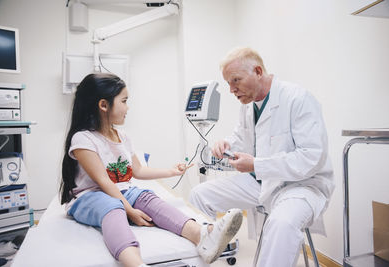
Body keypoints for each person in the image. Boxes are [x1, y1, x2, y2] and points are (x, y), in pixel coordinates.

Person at [59, 73, 243, 267]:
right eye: (124, 101)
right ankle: (135, 263)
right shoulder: (83, 139)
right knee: (113, 207)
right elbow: (104, 182)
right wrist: (129, 211)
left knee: (147, 197)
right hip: (90, 196)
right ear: (103, 105)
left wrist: (171, 171)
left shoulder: (122, 136)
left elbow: (137, 171)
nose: (128, 107)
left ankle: (203, 235)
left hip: (120, 192)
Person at [189, 47, 334, 267]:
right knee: (199, 195)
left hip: (301, 186)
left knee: (281, 223)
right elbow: (242, 139)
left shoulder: (297, 98)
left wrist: (256, 164)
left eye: (235, 80)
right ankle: (206, 254)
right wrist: (225, 145)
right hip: (261, 183)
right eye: (228, 83)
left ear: (258, 71)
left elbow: (312, 157)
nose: (231, 90)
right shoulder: (248, 107)